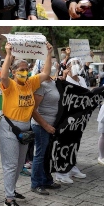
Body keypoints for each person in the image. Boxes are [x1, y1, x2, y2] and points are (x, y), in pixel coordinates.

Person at [0, 40, 52, 206]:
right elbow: (2, 76)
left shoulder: (30, 83)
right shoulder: (10, 85)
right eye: (20, 69)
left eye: (26, 69)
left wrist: (49, 53)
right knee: (11, 164)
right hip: (9, 127)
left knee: (20, 164)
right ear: (14, 72)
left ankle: (11, 190)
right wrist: (8, 55)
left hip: (24, 128)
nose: (24, 72)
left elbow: (46, 73)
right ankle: (8, 199)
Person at [29, 61, 63, 195]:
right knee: (40, 155)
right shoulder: (40, 86)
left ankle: (46, 180)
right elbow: (33, 110)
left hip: (50, 125)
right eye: (47, 66)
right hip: (41, 126)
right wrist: (46, 126)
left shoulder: (52, 82)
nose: (52, 67)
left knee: (47, 155)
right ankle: (35, 183)